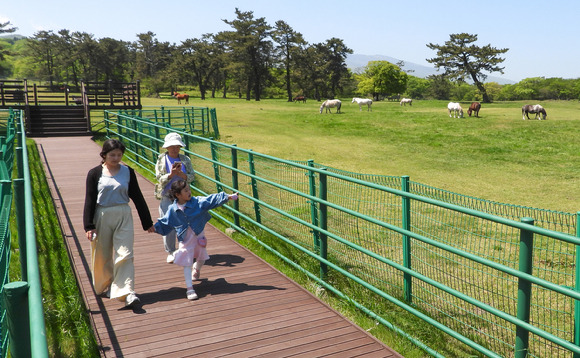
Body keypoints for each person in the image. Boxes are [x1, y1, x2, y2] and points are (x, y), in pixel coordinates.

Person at [83, 139, 155, 308]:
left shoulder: (128, 172)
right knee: (102, 254)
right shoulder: (94, 173)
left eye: (119, 155)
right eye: (112, 155)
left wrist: (147, 222)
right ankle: (106, 286)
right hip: (102, 215)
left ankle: (127, 292)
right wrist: (88, 225)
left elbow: (137, 197)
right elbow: (90, 200)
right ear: (104, 155)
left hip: (123, 214)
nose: (116, 158)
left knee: (125, 253)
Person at [154, 179, 238, 300]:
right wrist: (154, 228)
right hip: (185, 241)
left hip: (199, 238)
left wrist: (227, 197)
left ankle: (197, 268)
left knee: (202, 258)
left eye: (189, 189)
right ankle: (190, 289)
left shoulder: (197, 202)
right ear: (178, 195)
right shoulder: (173, 210)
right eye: (186, 190)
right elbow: (165, 222)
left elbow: (210, 200)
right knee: (187, 263)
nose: (189, 192)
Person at [154, 132, 195, 264]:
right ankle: (170, 251)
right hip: (167, 195)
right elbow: (159, 178)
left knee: (185, 223)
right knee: (168, 223)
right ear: (166, 147)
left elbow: (192, 176)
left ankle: (185, 248)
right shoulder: (161, 159)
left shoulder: (185, 159)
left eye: (177, 146)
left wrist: (182, 174)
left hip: (183, 196)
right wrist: (170, 175)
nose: (174, 149)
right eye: (172, 146)